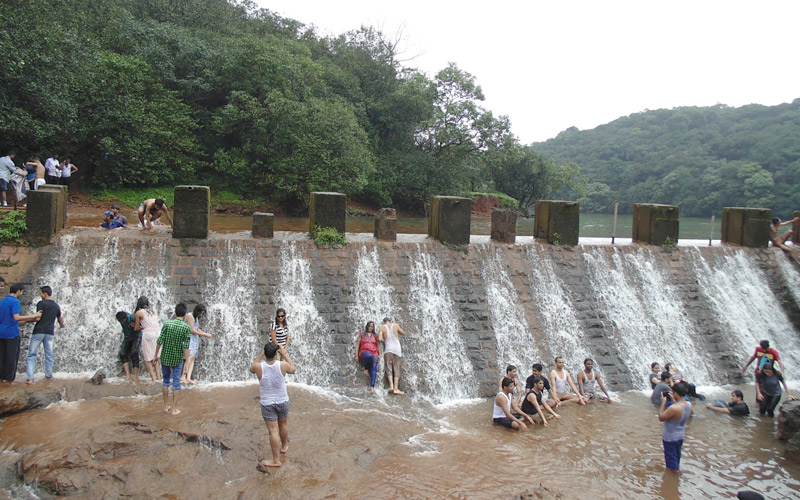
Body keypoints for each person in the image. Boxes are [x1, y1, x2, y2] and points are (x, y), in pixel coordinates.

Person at [250, 342, 295, 469]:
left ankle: (276, 460)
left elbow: (251, 367)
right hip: (282, 400)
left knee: (273, 431)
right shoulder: (283, 365)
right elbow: (293, 369)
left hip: (267, 402)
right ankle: (284, 446)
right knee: (283, 424)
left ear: (265, 353)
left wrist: (261, 354)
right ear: (276, 353)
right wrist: (284, 354)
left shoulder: (258, 367)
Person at [154, 303, 192, 416]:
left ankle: (166, 406)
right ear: (185, 314)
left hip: (165, 357)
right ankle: (174, 409)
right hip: (177, 358)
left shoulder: (167, 324)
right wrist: (187, 362)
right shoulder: (186, 327)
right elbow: (186, 346)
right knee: (176, 383)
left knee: (165, 381)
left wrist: (155, 355)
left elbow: (160, 341)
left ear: (175, 313)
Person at [0, 284, 41, 382]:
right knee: (11, 356)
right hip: (11, 334)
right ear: (18, 291)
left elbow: (9, 319)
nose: (22, 293)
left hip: (1, 332)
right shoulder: (15, 302)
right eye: (22, 291)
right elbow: (16, 317)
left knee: (1, 355)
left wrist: (26, 321)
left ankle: (1, 376)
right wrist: (33, 316)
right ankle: (8, 378)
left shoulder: (2, 301)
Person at [25, 286, 65, 384]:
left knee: (32, 355)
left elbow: (38, 317)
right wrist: (62, 325)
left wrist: (26, 321)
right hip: (50, 333)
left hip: (38, 331)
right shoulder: (56, 306)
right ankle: (48, 375)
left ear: (45, 294)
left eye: (41, 293)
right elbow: (60, 319)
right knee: (49, 355)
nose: (40, 295)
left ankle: (30, 378)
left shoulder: (41, 303)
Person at [658, 381, 692, 472]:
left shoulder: (674, 408)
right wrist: (674, 401)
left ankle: (674, 481)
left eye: (673, 392)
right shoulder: (689, 404)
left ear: (676, 393)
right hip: (680, 436)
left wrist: (663, 403)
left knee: (671, 466)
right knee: (676, 458)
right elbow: (678, 414)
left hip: (670, 438)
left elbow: (661, 417)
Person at [181, 304, 212, 385]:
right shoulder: (189, 316)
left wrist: (205, 333)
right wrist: (204, 335)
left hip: (194, 339)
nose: (201, 315)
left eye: (202, 313)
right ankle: (183, 376)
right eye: (200, 313)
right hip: (189, 338)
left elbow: (197, 328)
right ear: (196, 311)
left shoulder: (196, 317)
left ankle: (188, 377)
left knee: (193, 358)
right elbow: (191, 330)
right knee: (189, 357)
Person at [134, 296, 161, 382]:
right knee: (155, 356)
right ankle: (159, 377)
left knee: (147, 358)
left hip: (148, 334)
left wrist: (141, 327)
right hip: (158, 333)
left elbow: (136, 328)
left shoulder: (139, 313)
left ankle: (153, 379)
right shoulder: (153, 310)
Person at [378, 316, 406, 395]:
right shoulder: (395, 325)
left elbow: (380, 338)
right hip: (397, 349)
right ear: (390, 321)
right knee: (397, 368)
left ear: (384, 322)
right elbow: (403, 333)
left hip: (388, 349)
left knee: (389, 367)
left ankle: (391, 386)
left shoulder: (382, 327)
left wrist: (384, 341)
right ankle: (396, 388)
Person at [355, 320, 380, 394]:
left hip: (374, 352)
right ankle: (366, 368)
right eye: (369, 326)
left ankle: (372, 388)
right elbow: (357, 345)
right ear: (367, 326)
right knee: (368, 356)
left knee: (374, 368)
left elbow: (378, 345)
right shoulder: (362, 334)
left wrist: (379, 355)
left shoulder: (376, 335)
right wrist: (356, 355)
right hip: (364, 352)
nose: (371, 328)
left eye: (372, 326)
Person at [116, 310, 140, 381]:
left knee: (134, 352)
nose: (122, 322)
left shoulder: (132, 318)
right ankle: (128, 375)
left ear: (125, 317)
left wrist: (135, 326)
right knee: (122, 353)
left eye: (123, 321)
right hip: (127, 337)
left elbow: (142, 327)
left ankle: (136, 375)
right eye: (120, 321)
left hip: (136, 336)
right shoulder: (121, 319)